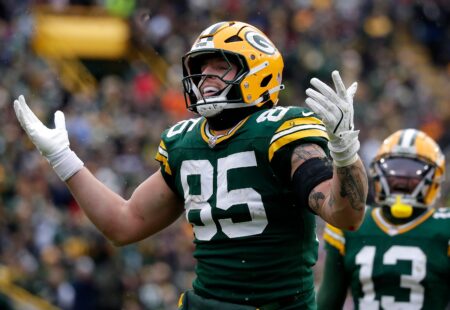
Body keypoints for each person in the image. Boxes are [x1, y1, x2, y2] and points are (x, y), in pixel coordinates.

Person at [13, 21, 368, 309]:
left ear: (257, 72)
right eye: (200, 68)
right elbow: (124, 223)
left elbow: (346, 215)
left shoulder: (280, 129)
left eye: (220, 66)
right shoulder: (185, 141)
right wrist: (63, 158)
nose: (205, 76)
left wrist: (344, 149)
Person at [317, 128, 450, 310]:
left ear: (435, 178)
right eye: (393, 169)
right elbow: (327, 302)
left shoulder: (445, 228)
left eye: (413, 172)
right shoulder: (350, 224)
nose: (400, 179)